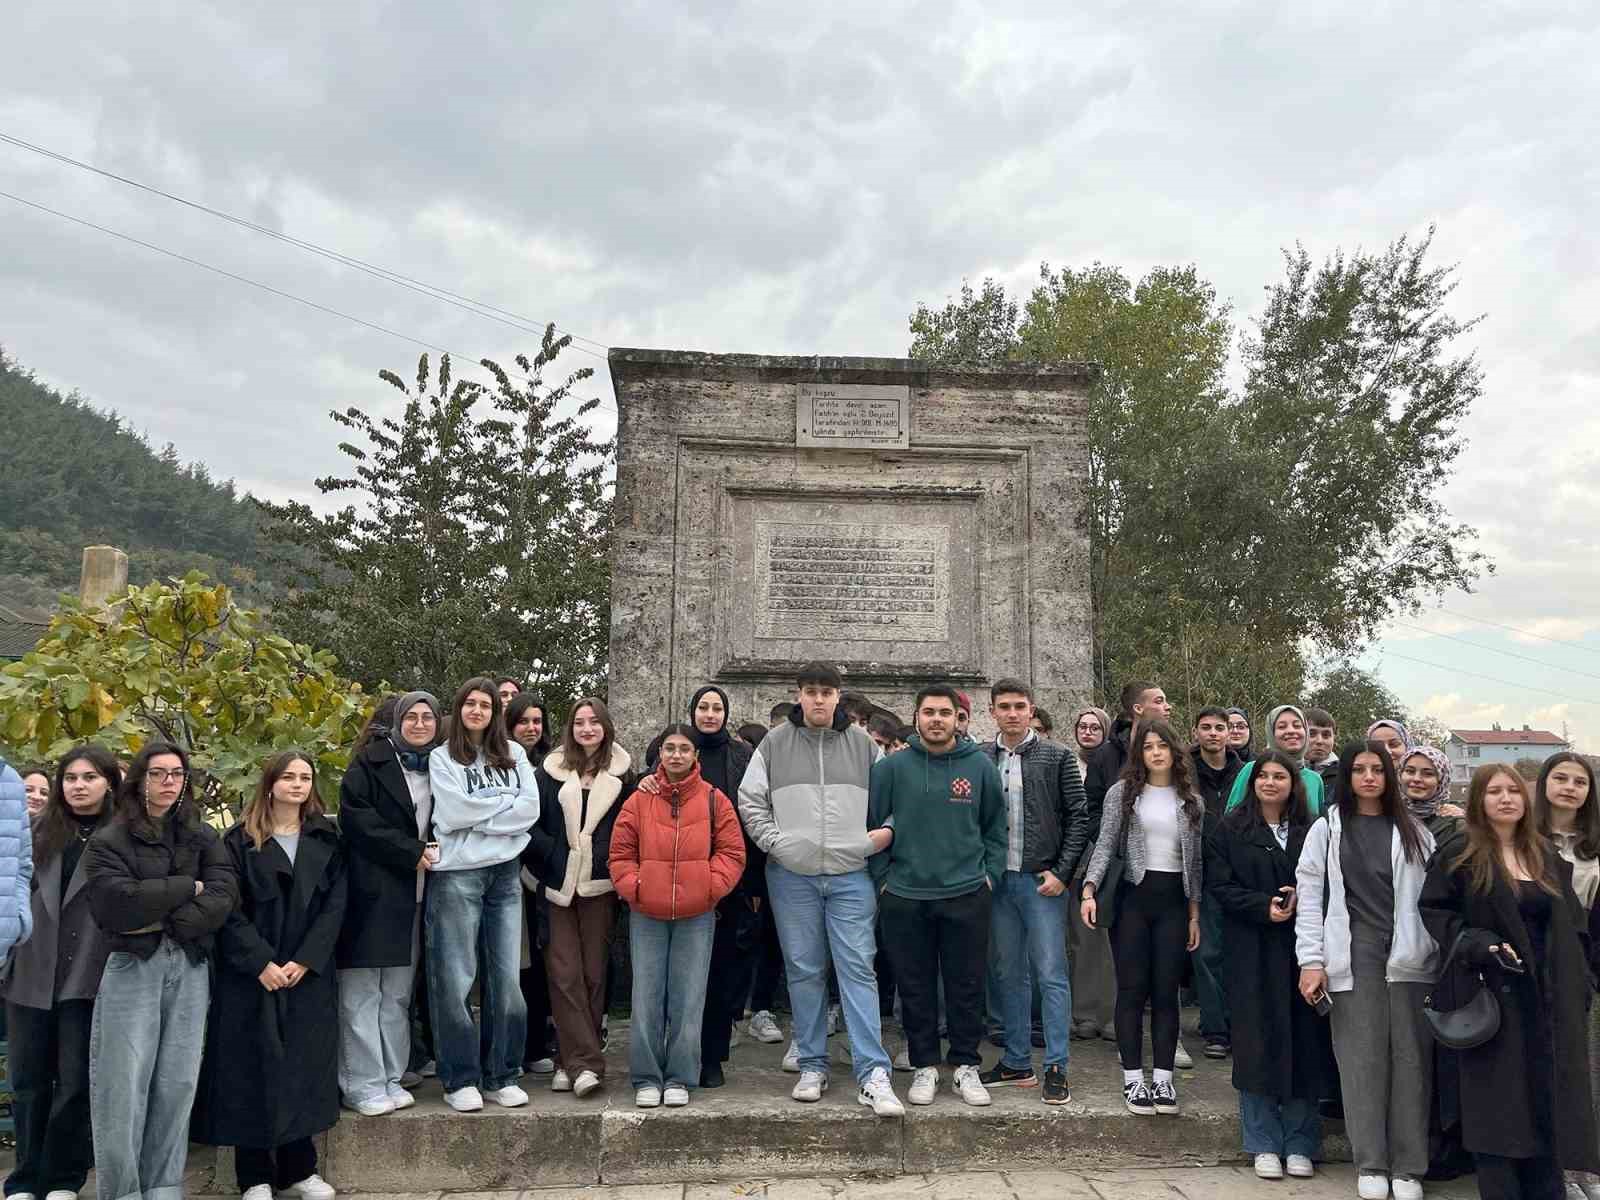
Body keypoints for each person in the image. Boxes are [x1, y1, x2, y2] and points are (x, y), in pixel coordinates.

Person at [1419, 764, 1599, 1200]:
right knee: (1497, 1110)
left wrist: (1582, 980)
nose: (1505, 798)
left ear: (1525, 800)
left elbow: (1575, 926)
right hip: (1493, 997)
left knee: (1546, 1102)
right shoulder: (1461, 852)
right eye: (1494, 791)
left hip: (1548, 999)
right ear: (1479, 800)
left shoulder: (1544, 856)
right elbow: (1436, 911)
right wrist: (1478, 944)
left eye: (1513, 791)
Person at [738, 661, 904, 1117]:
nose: (818, 699)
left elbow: (895, 801)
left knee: (857, 969)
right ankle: (813, 1063)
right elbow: (750, 800)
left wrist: (880, 837)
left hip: (851, 874)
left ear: (837, 696)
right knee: (804, 970)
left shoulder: (865, 745)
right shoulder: (774, 743)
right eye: (810, 691)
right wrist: (777, 843)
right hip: (792, 875)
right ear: (799, 695)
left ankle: (873, 1072)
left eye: (826, 692)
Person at [85, 741, 238, 1200]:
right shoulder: (110, 839)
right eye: (157, 774)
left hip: (189, 964)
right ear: (139, 779)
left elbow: (224, 892)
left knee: (177, 1082)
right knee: (123, 1085)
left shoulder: (202, 834)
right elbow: (117, 904)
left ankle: (164, 1187)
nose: (168, 782)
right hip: (134, 965)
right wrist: (183, 888)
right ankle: (124, 1191)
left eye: (176, 774)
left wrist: (172, 914)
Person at [195, 752, 346, 1200]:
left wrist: (306, 960)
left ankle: (301, 1169)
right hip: (253, 974)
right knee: (251, 1069)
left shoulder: (328, 838)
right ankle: (254, 1176)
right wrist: (260, 962)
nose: (298, 785)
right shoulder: (238, 842)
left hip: (306, 972)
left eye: (306, 778)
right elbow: (228, 908)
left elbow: (336, 904)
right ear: (270, 783)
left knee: (303, 1068)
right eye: (289, 777)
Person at [1295, 742, 1437, 1200]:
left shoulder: (1415, 830)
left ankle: (1409, 1167)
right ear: (1348, 776)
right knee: (1361, 1062)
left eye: (1379, 769)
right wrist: (1310, 960)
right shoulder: (1328, 828)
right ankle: (1371, 1162)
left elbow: (1434, 899)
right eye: (1360, 769)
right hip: (1351, 956)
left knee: (1411, 1062)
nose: (1370, 777)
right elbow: (1311, 896)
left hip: (1409, 958)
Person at [869, 685, 1006, 1108]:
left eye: (944, 713)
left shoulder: (980, 767)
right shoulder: (892, 768)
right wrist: (883, 881)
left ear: (957, 719)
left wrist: (990, 878)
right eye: (928, 712)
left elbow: (995, 829)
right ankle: (925, 1065)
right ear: (916, 718)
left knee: (966, 986)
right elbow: (872, 826)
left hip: (967, 893)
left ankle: (965, 1065)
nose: (936, 719)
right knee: (915, 986)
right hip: (906, 895)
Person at [1206, 749, 1335, 1180]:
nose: (1271, 783)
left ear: (1293, 784)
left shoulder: (1312, 829)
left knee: (1303, 1041)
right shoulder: (1230, 828)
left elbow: (1327, 882)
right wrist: (1265, 906)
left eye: (1280, 776)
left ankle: (1300, 1142)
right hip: (1251, 949)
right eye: (1263, 775)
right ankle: (1261, 1141)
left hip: (1303, 951)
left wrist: (1299, 900)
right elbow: (1220, 887)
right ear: (1252, 781)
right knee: (1255, 1042)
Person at [1, 745, 120, 1200]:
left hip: (87, 977)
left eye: (89, 777)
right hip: (31, 972)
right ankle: (25, 1179)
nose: (79, 785)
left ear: (109, 782)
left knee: (74, 1083)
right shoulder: (35, 831)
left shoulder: (122, 836)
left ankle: (64, 1178)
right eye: (71, 777)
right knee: (28, 1082)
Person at [610, 724, 744, 1108]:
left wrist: (708, 886)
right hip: (647, 913)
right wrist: (635, 886)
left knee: (688, 996)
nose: (676, 755)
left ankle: (681, 1076)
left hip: (697, 913)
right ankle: (647, 1076)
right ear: (660, 755)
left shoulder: (715, 800)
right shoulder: (639, 800)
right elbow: (620, 853)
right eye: (669, 748)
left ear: (695, 756)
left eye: (684, 749)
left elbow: (732, 853)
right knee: (647, 996)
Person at [427, 678, 541, 1112]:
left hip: (505, 874)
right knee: (455, 979)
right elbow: (453, 812)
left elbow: (529, 810)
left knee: (506, 979)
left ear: (496, 712)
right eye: (469, 704)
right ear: (458, 710)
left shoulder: (514, 754)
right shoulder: (442, 757)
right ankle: (459, 1079)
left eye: (485, 705)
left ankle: (501, 1074)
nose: (477, 711)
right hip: (457, 874)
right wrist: (502, 811)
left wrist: (481, 820)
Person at [1080, 719, 1203, 1117]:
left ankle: (1163, 1079)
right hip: (1133, 899)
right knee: (1132, 989)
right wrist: (1089, 888)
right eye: (1147, 746)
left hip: (1173, 903)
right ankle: (1133, 1078)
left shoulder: (1191, 800)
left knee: (1167, 993)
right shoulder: (1123, 794)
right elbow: (1104, 845)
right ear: (1140, 753)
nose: (1155, 752)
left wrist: (1194, 914)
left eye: (1162, 745)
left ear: (1174, 750)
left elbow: (1195, 864)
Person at [977, 678, 1088, 1103]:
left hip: (1042, 881)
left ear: (1031, 710)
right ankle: (1017, 1061)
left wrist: (1062, 872)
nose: (1011, 713)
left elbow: (1079, 818)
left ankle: (1057, 1065)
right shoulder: (981, 757)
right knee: (1009, 973)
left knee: (1051, 974)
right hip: (998, 881)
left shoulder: (1058, 756)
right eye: (1003, 706)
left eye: (1019, 706)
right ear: (993, 712)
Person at [337, 691, 440, 1115]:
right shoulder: (370, 762)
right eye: (411, 717)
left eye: (427, 717)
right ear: (397, 721)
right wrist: (410, 850)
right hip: (373, 891)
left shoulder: (441, 766)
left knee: (396, 994)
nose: (419, 724)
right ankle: (361, 1083)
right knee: (361, 992)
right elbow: (357, 820)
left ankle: (390, 1076)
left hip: (416, 896)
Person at [526, 697, 634, 1099]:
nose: (587, 729)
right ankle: (583, 1063)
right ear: (570, 728)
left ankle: (569, 1060)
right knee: (563, 972)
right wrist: (556, 854)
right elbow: (530, 825)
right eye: (579, 722)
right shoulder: (548, 773)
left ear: (605, 727)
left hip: (600, 887)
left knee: (593, 973)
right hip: (556, 886)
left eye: (594, 722)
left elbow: (628, 829)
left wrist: (604, 858)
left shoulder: (625, 776)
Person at [1533, 753, 1600, 1200]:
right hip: (1530, 965)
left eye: (1580, 781)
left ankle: (1581, 1166)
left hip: (1580, 968)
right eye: (1560, 778)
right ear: (1544, 785)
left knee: (1579, 1071)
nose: (1570, 787)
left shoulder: (1592, 847)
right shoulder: (1525, 838)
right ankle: (1548, 1167)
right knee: (1537, 1068)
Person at [505, 693, 557, 1076]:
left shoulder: (554, 765)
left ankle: (537, 1044)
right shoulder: (499, 762)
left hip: (544, 877)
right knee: (513, 966)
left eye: (537, 721)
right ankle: (513, 1046)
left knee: (539, 964)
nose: (531, 728)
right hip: (508, 873)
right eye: (523, 721)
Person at [1190, 706, 1245, 1061]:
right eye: (1206, 727)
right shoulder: (1184, 772)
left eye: (1219, 727)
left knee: (1238, 953)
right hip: (1200, 871)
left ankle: (1239, 1025)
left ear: (1229, 733)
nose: (1213, 733)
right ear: (1195, 732)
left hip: (1240, 873)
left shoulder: (1246, 772)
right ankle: (1216, 1030)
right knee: (1206, 953)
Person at [1068, 705, 1117, 1043]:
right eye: (1083, 727)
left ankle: (1112, 1015)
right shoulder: (1066, 763)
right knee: (1082, 941)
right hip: (1077, 860)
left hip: (1109, 858)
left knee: (1111, 944)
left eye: (1095, 728)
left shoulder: (1114, 762)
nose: (1088, 732)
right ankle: (1084, 1013)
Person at [1224, 705, 1326, 813]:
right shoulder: (1253, 769)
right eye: (1282, 727)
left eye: (1297, 726)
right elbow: (1231, 820)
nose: (1291, 731)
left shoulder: (1315, 779)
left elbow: (1320, 825)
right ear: (1271, 733)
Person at [1400, 746, 1465, 853]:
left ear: (1441, 780)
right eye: (1410, 771)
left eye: (1428, 774)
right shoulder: (1389, 817)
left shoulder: (1455, 826)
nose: (1416, 779)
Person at [1305, 709, 1340, 792]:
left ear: (1334, 738)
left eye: (1326, 735)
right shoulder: (1285, 770)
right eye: (1312, 734)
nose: (1319, 741)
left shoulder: (1346, 774)